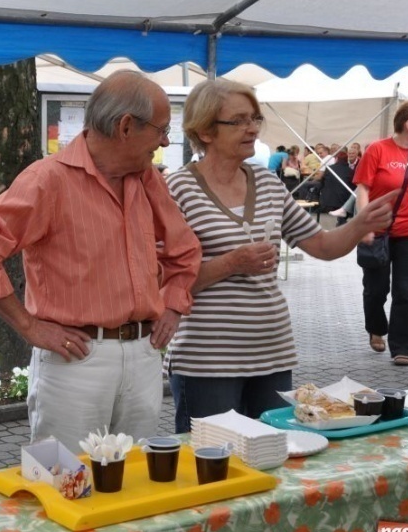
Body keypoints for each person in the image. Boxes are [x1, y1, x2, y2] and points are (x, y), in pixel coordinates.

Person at [0, 71, 202, 452]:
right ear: (125, 127)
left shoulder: (146, 178)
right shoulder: (47, 180)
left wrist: (173, 305)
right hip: (77, 360)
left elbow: (184, 250)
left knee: (133, 482)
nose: (165, 141)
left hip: (142, 355)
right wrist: (29, 327)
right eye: (161, 130)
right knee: (64, 482)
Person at [164, 80, 396, 431]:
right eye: (239, 120)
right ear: (205, 131)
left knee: (275, 457)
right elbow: (164, 280)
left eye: (255, 118)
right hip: (206, 360)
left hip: (272, 352)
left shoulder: (268, 182)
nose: (252, 128)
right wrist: (232, 263)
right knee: (210, 460)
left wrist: (359, 223)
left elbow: (322, 245)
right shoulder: (177, 188)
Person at [354, 101, 408, 367]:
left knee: (406, 291)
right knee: (376, 290)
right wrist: (365, 223)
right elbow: (363, 189)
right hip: (379, 230)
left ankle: (402, 347)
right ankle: (375, 326)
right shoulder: (377, 150)